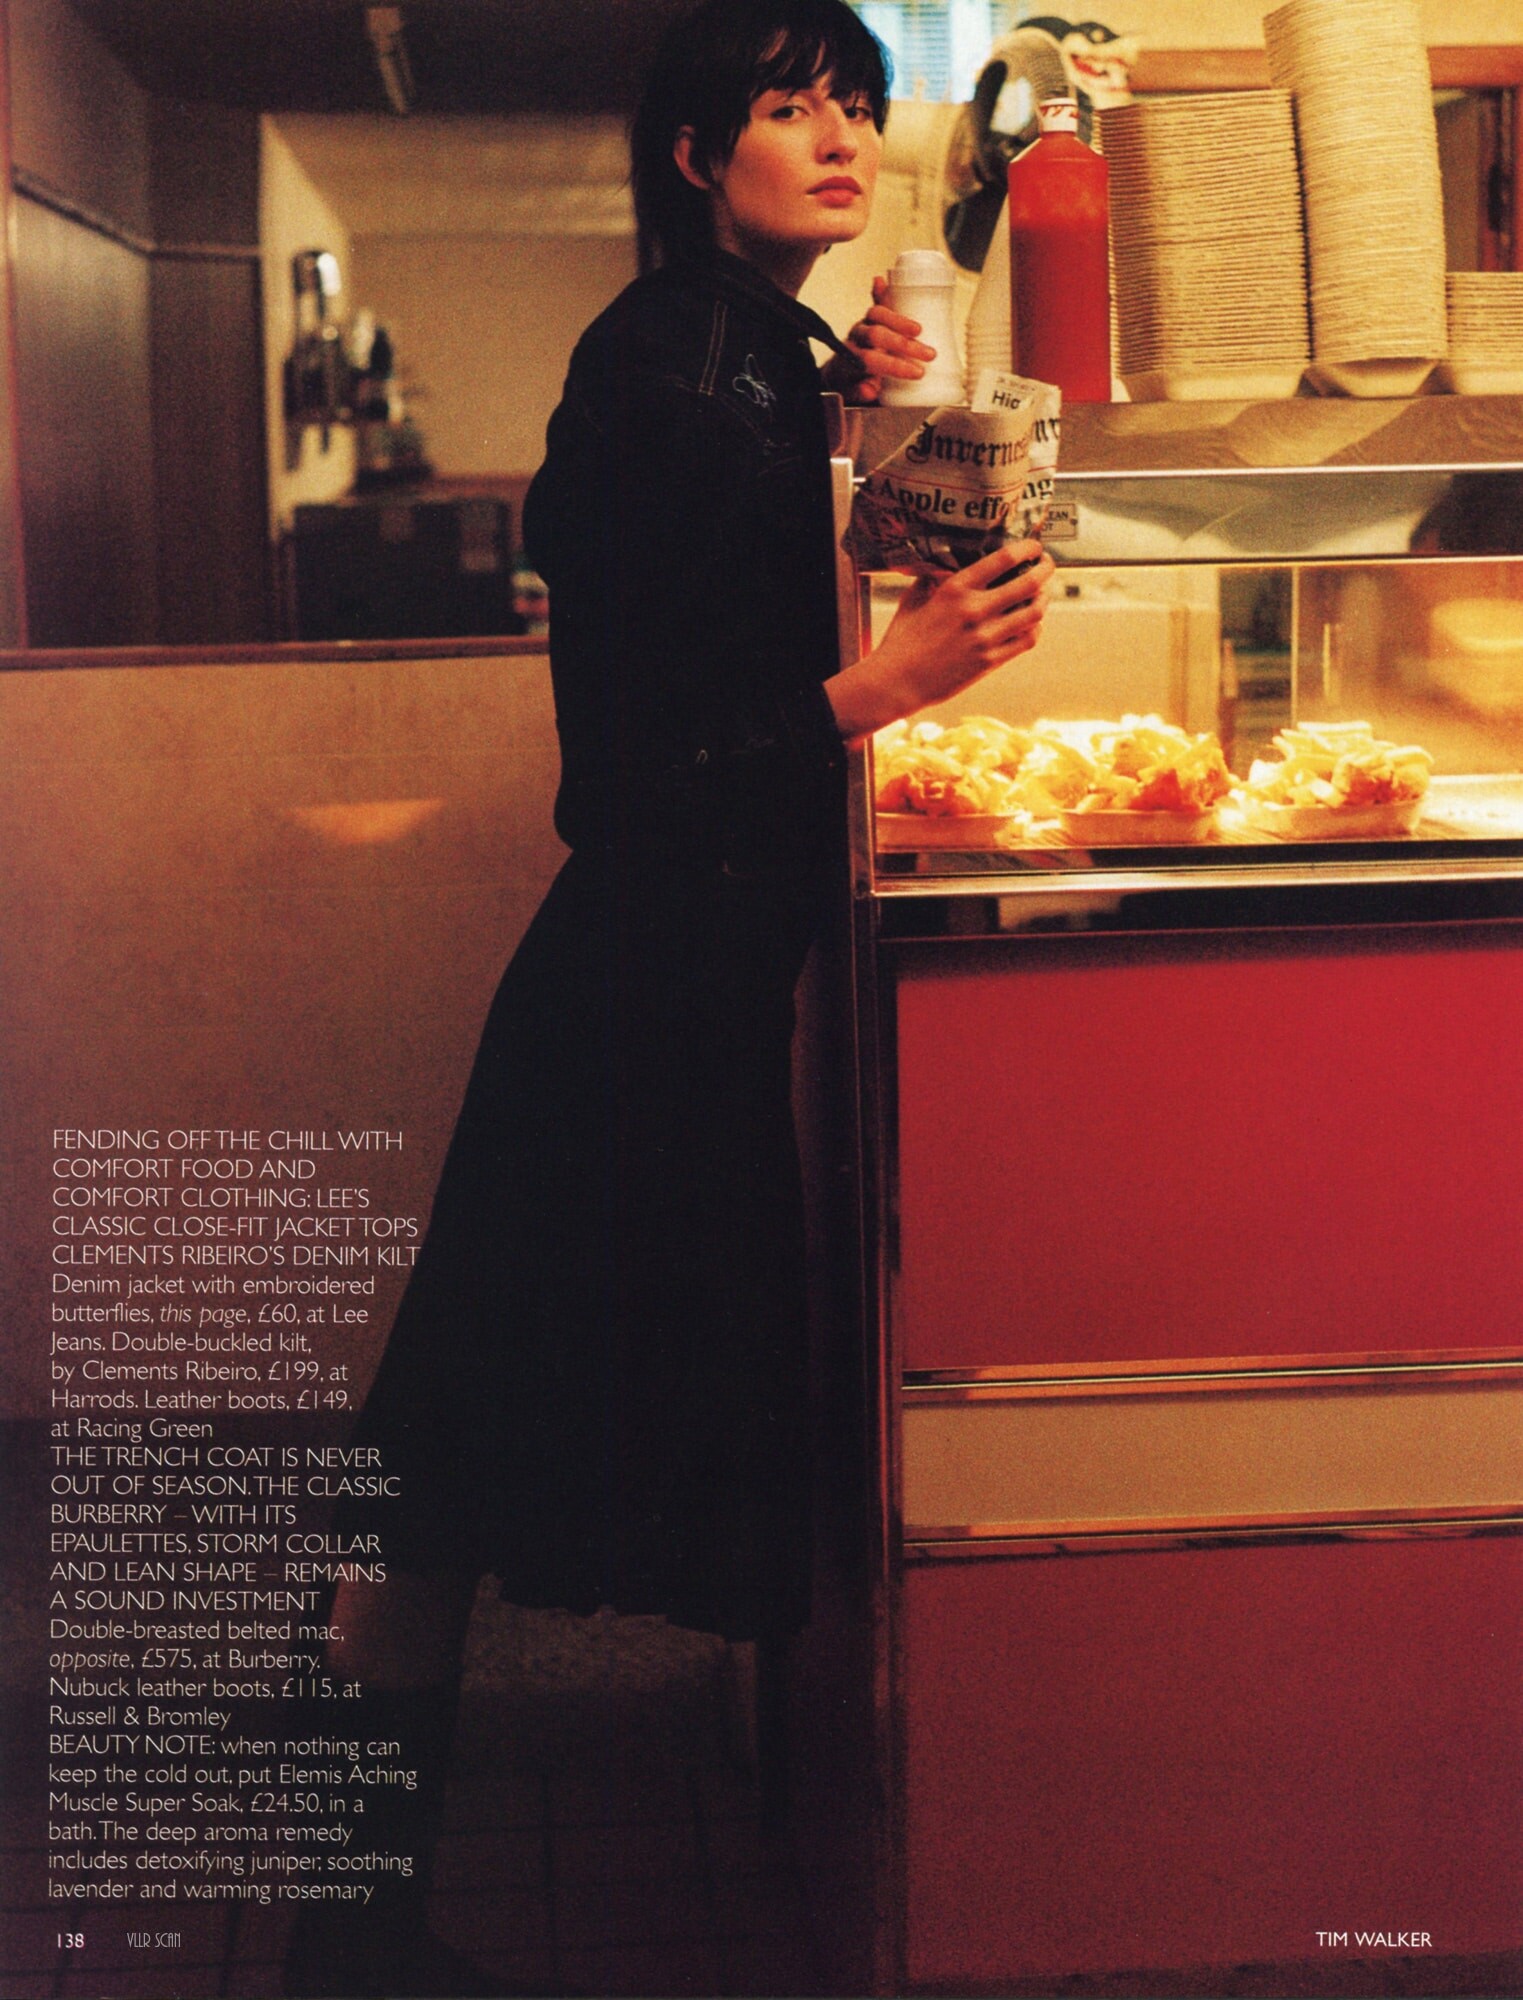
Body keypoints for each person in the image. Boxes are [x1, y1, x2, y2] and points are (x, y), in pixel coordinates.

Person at [283, 2, 1053, 1992]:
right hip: (633, 1001)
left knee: (447, 1451)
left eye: (856, 105)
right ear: (700, 155)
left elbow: (742, 588)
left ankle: (347, 1925)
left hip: (673, 993)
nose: (842, 137)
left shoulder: (743, 348)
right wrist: (879, 690)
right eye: (793, 108)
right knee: (437, 1459)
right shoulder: (668, 365)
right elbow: (630, 770)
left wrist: (862, 405)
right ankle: (342, 1935)